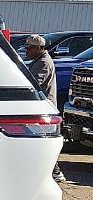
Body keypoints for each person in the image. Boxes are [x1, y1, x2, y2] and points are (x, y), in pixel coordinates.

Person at [25, 34, 66, 183]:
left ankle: (56, 173)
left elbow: (34, 83)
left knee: (44, 141)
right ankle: (54, 172)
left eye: (29, 48)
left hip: (44, 110)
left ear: (39, 48)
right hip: (40, 109)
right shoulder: (37, 61)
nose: (27, 51)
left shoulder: (43, 63)